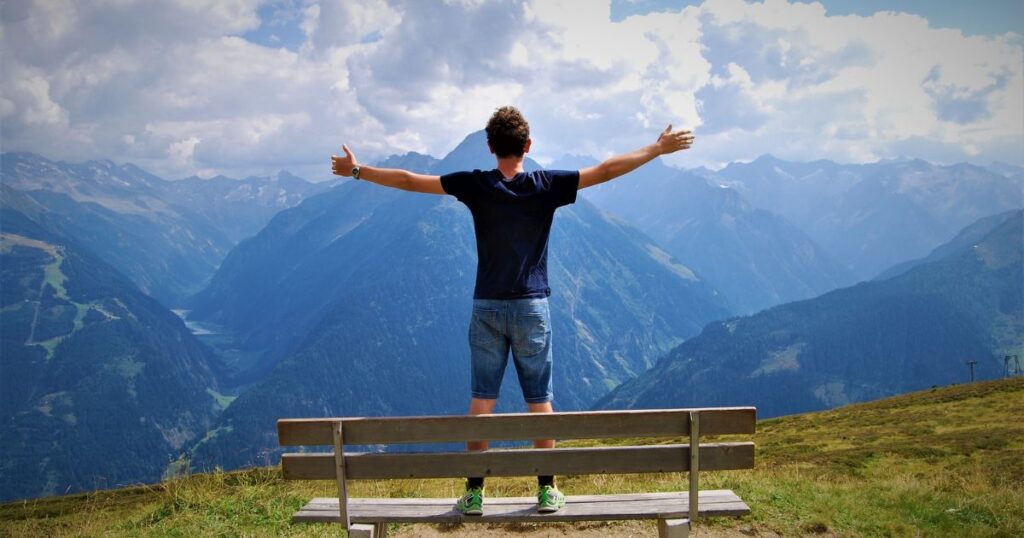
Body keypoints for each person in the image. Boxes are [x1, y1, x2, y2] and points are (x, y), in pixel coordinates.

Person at [331, 106, 694, 515]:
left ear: (490, 147)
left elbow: (410, 181)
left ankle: (473, 494)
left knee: (481, 402)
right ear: (528, 146)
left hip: (485, 307)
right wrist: (656, 149)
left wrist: (358, 171)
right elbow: (607, 170)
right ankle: (546, 489)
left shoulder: (475, 186)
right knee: (539, 400)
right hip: (531, 308)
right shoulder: (546, 186)